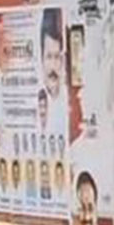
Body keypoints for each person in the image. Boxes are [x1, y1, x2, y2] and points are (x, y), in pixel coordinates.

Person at [40, 10, 69, 139]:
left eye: (57, 57)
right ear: (41, 59)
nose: (53, 65)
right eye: (49, 57)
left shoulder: (68, 102)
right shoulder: (38, 103)